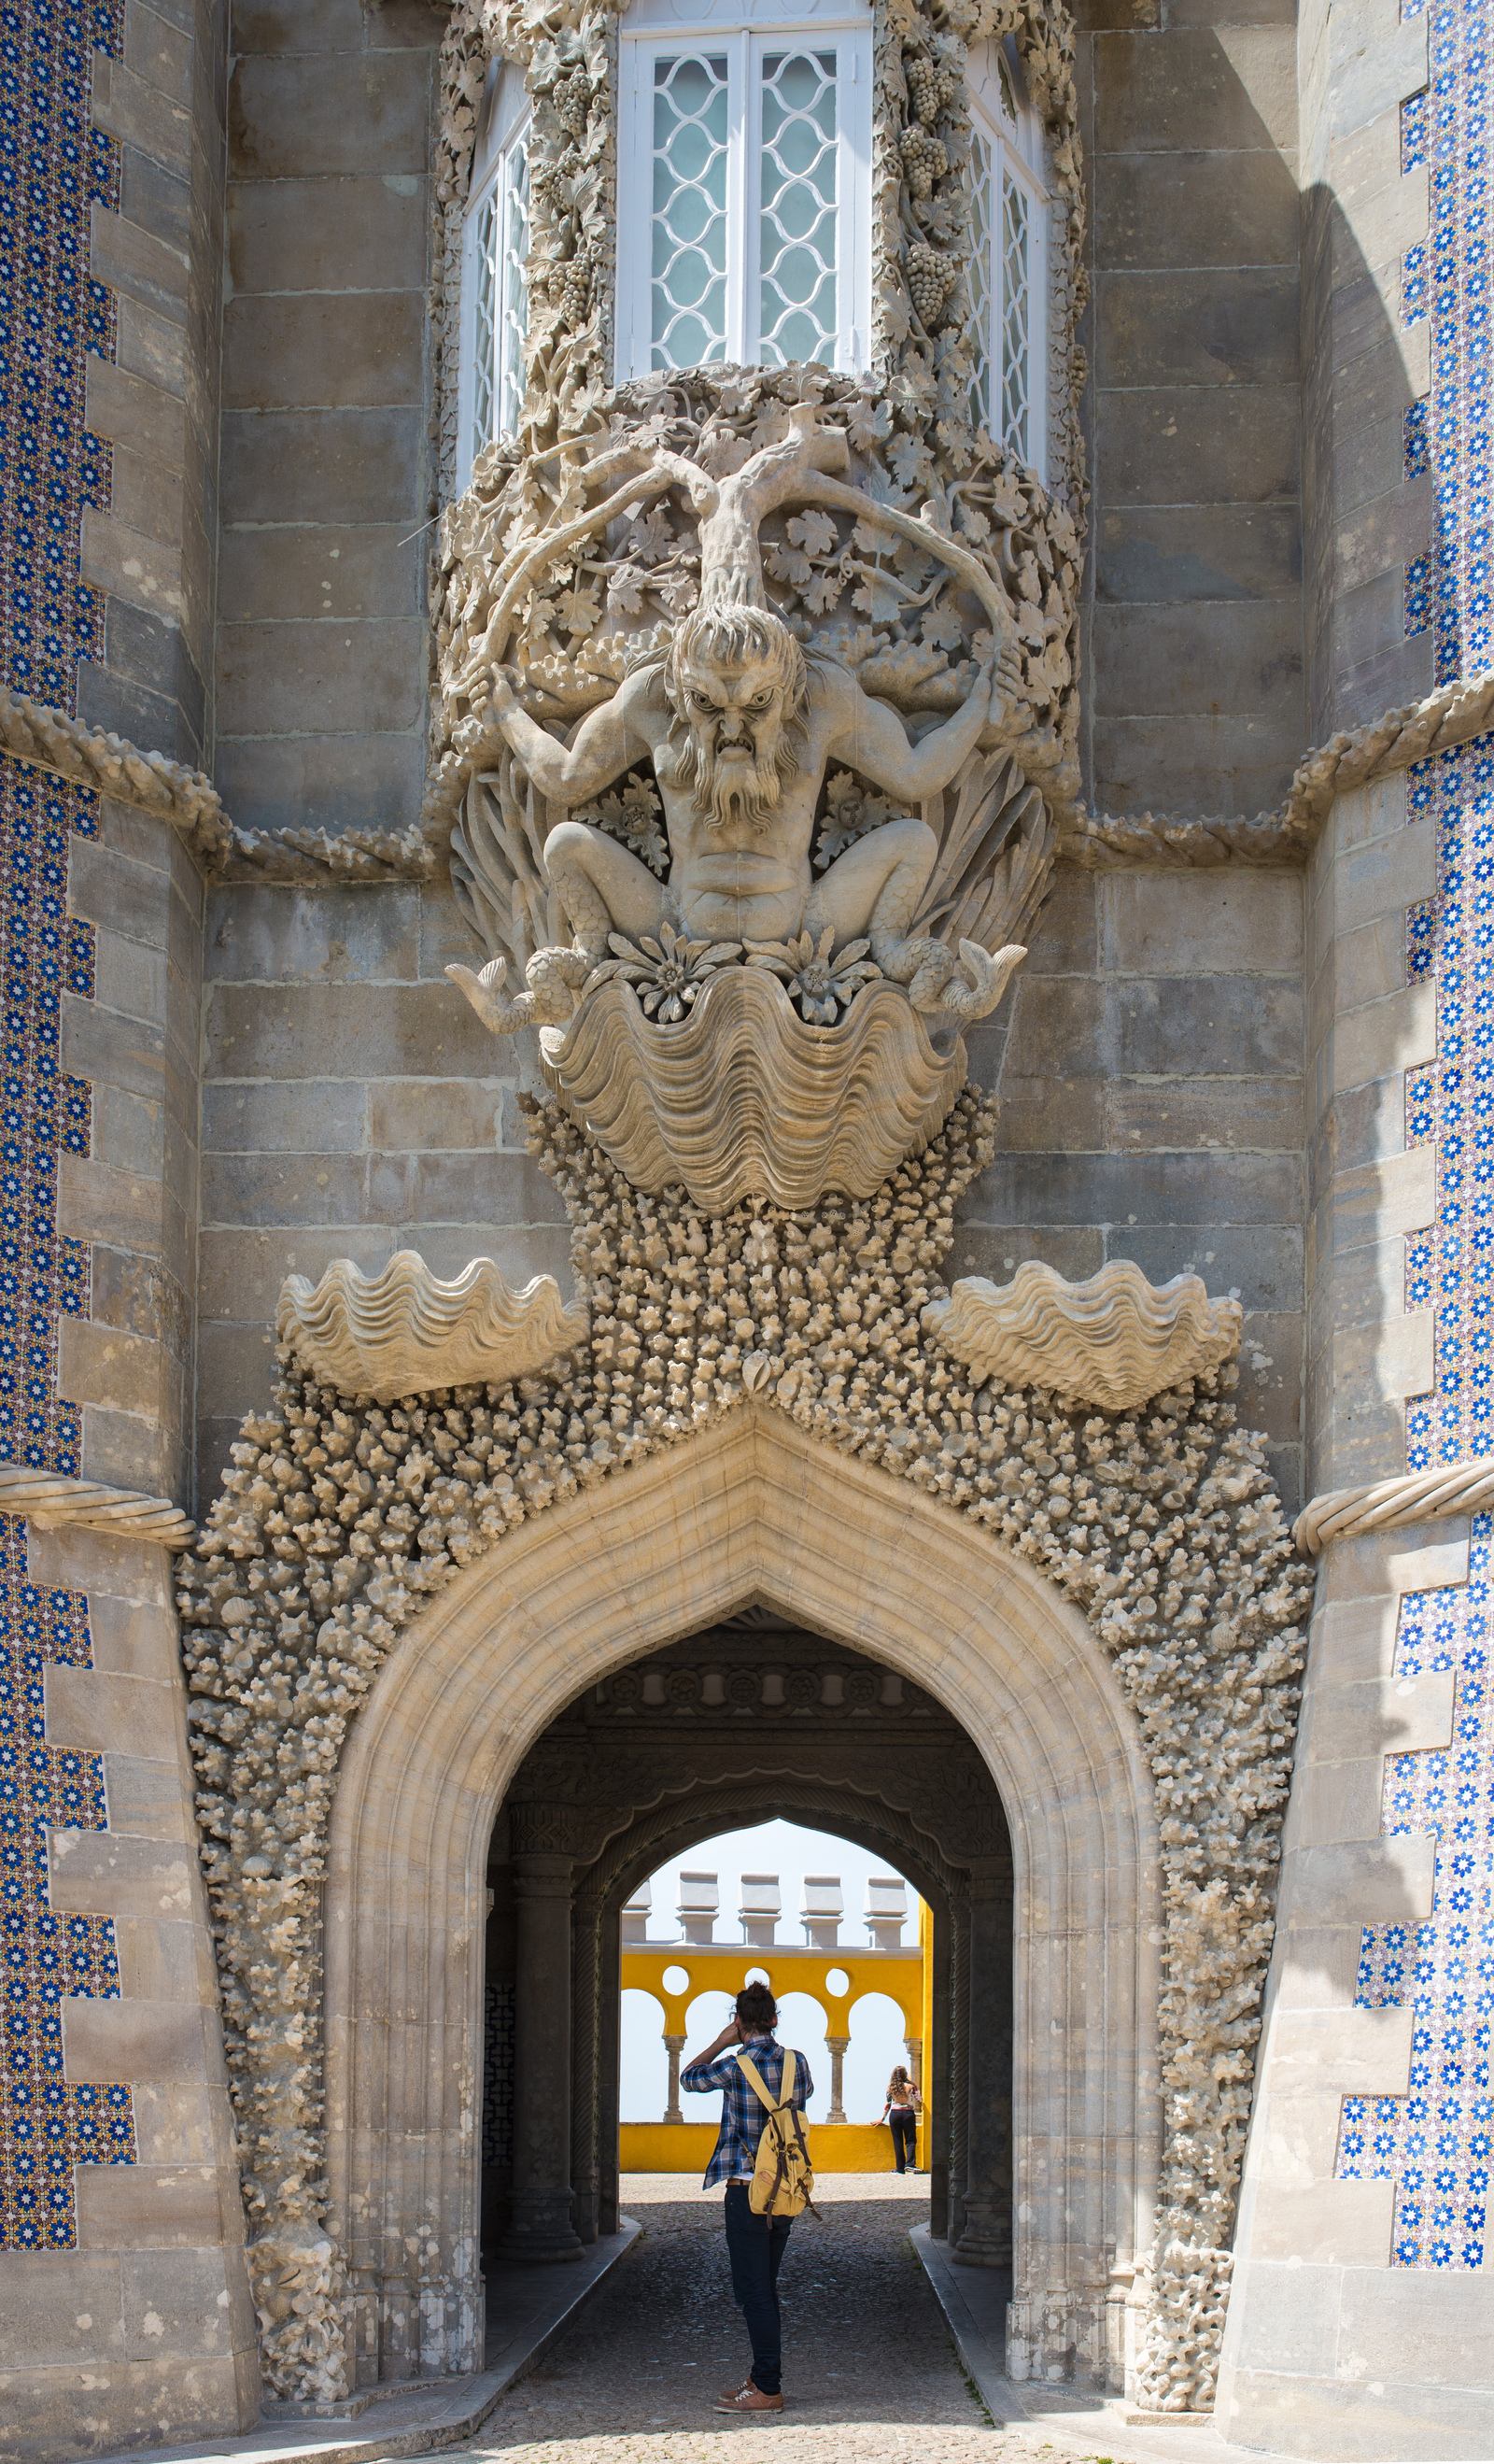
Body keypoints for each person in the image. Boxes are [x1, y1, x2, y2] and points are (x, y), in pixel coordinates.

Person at [681, 1979, 814, 2416]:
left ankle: (768, 2388)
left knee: (752, 2292)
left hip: (746, 2190)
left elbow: (689, 2079)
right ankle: (760, 2375)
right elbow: (803, 2097)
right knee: (765, 2287)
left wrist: (722, 2041)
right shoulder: (799, 2062)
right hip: (788, 2192)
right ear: (775, 2019)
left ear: (739, 2023)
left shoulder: (735, 2067)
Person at [880, 2065, 922, 2174]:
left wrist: (882, 2118)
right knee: (910, 2140)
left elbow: (888, 2104)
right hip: (908, 2113)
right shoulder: (911, 2086)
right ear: (905, 2074)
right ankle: (910, 2164)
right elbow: (919, 2099)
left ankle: (899, 2168)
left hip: (894, 2114)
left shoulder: (890, 2087)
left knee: (897, 2141)